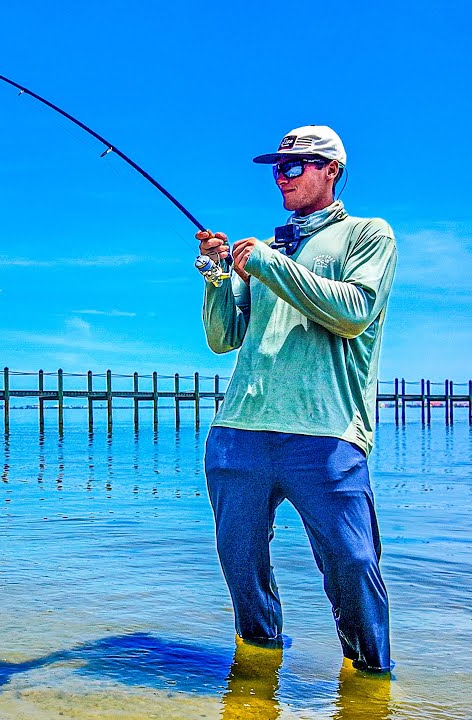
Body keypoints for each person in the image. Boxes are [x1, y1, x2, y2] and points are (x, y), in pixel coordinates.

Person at [198, 125, 398, 674]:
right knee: (241, 568)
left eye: (295, 166)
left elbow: (353, 311)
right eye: (277, 168)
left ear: (331, 170)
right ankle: (256, 682)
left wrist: (265, 263)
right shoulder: (271, 249)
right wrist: (218, 276)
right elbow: (222, 339)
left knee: (353, 565)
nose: (281, 176)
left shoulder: (367, 235)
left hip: (327, 434)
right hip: (239, 432)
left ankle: (371, 683)